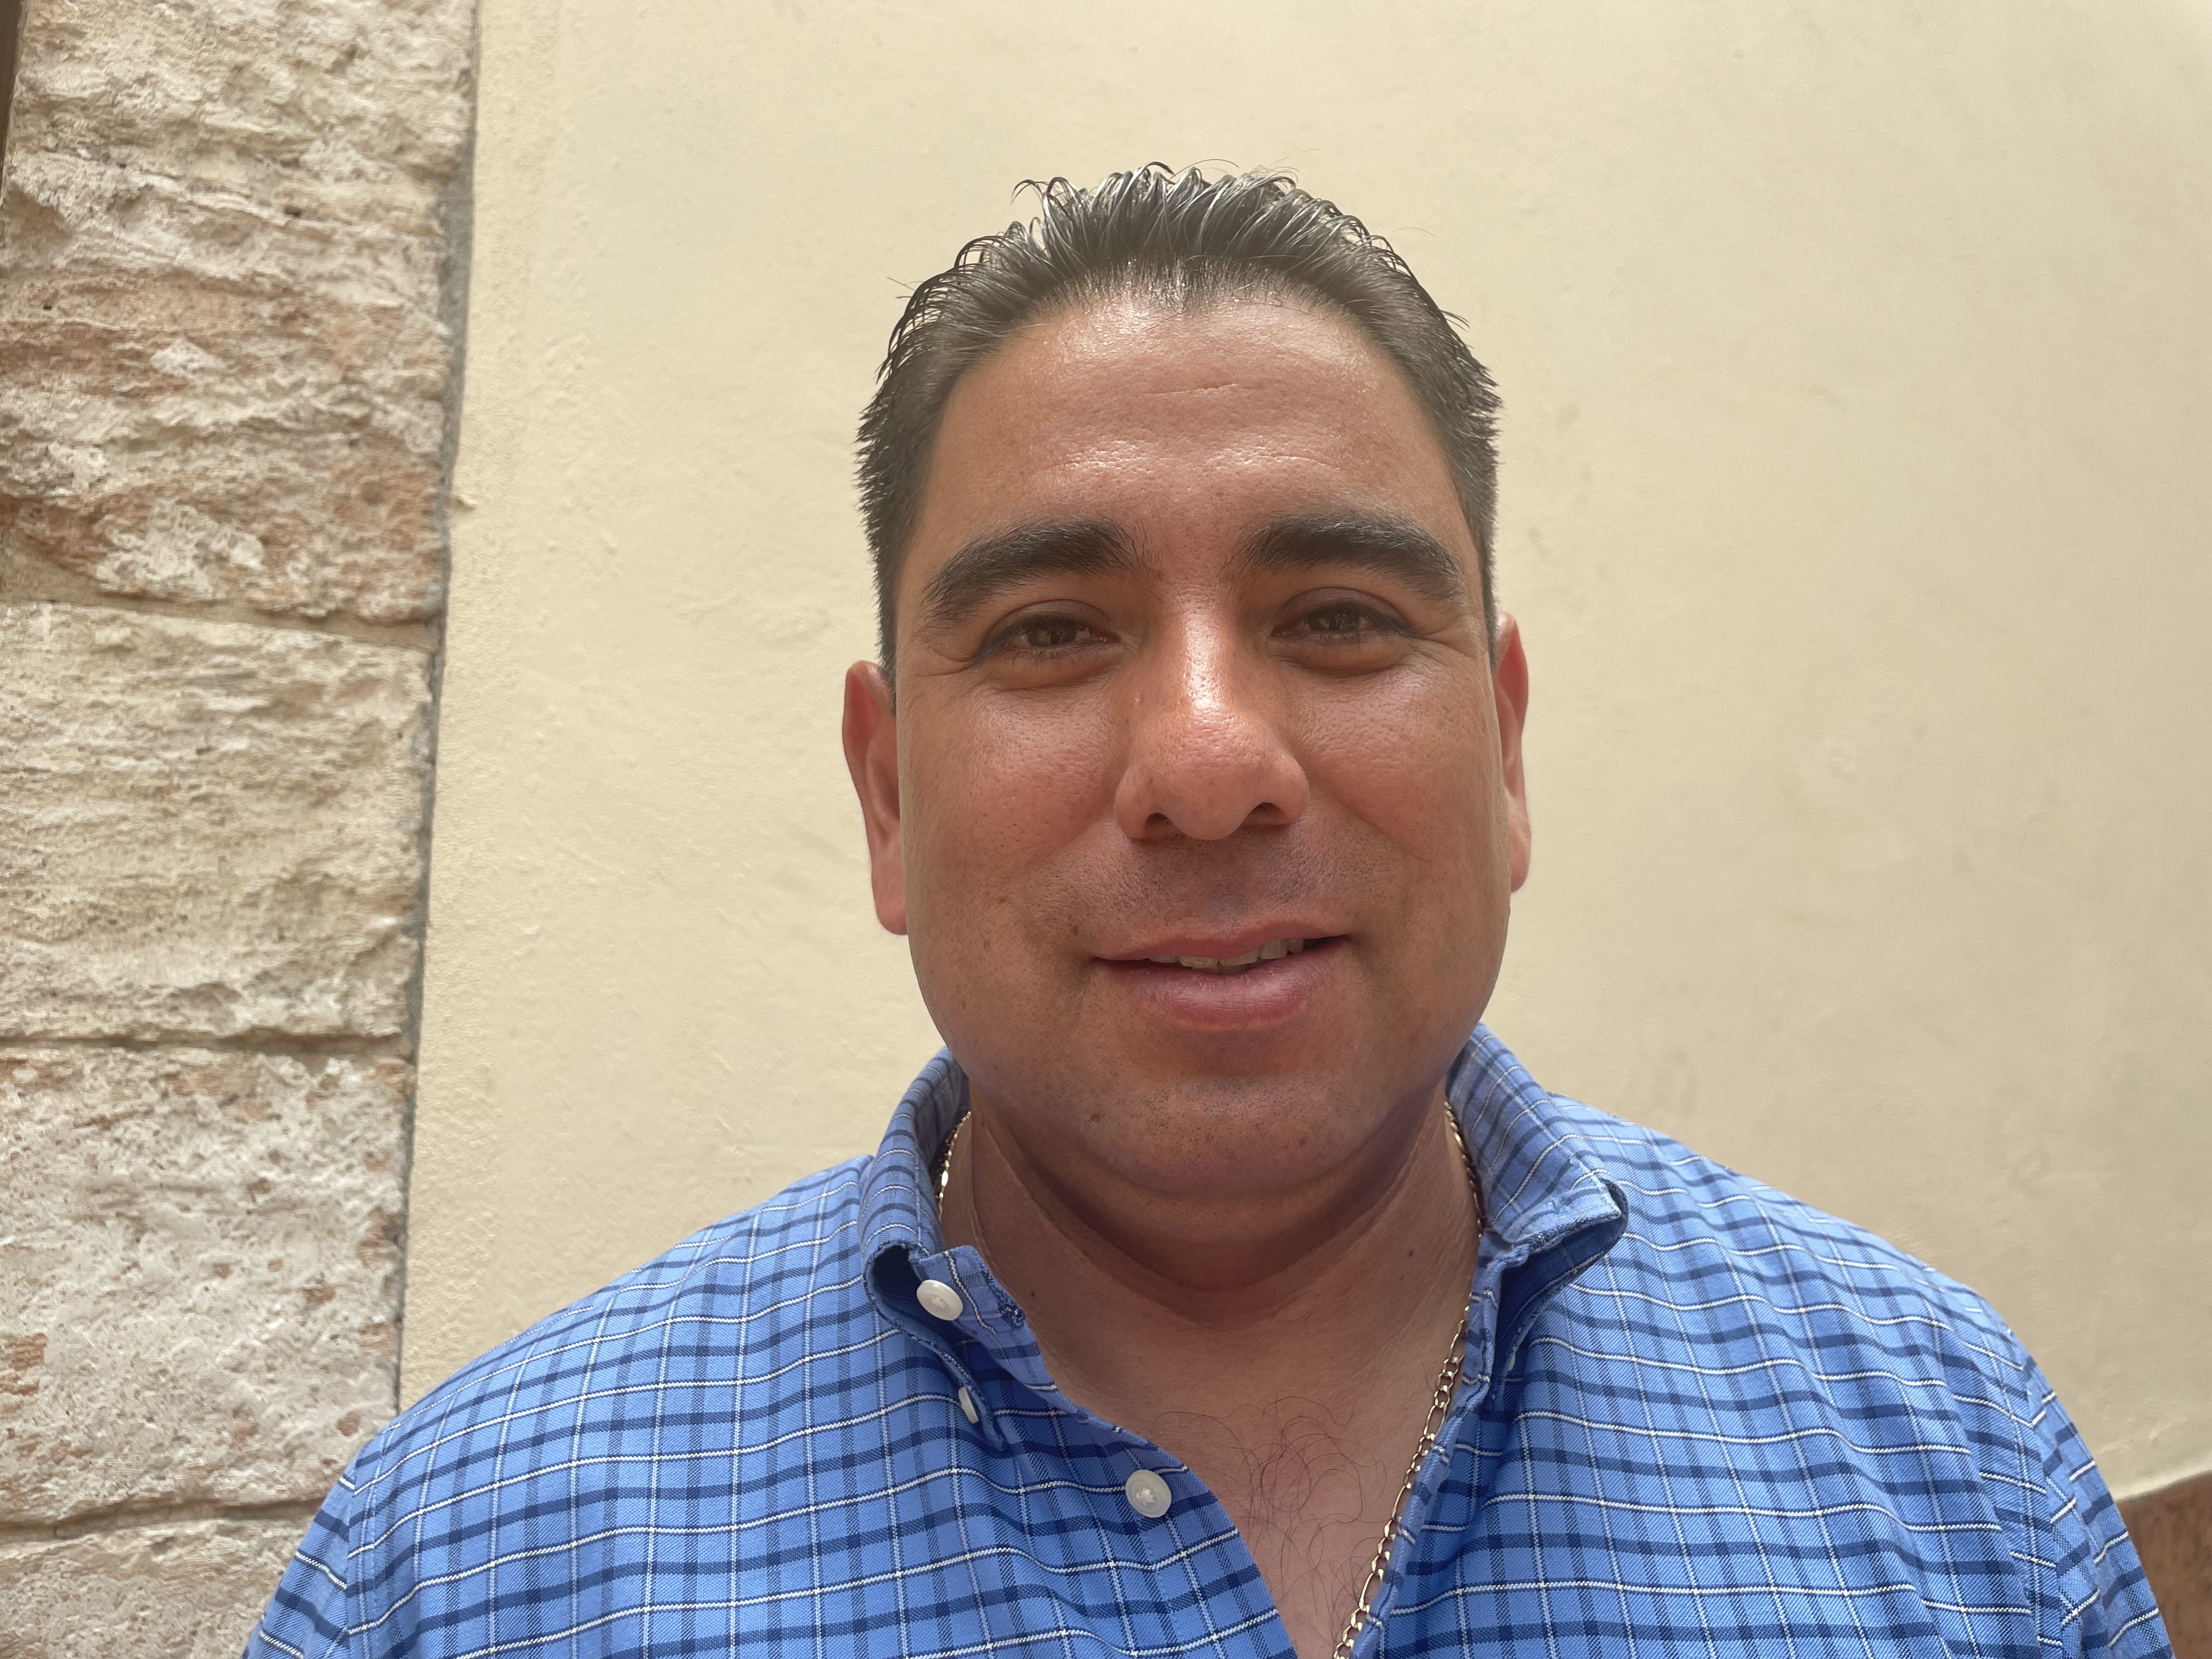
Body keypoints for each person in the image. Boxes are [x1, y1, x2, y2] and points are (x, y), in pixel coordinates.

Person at [249, 166, 2170, 1659]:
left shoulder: (1958, 1468)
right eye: (1050, 633)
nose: (1208, 758)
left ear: (1505, 749)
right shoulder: (461, 1572)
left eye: (1336, 616)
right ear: (889, 793)